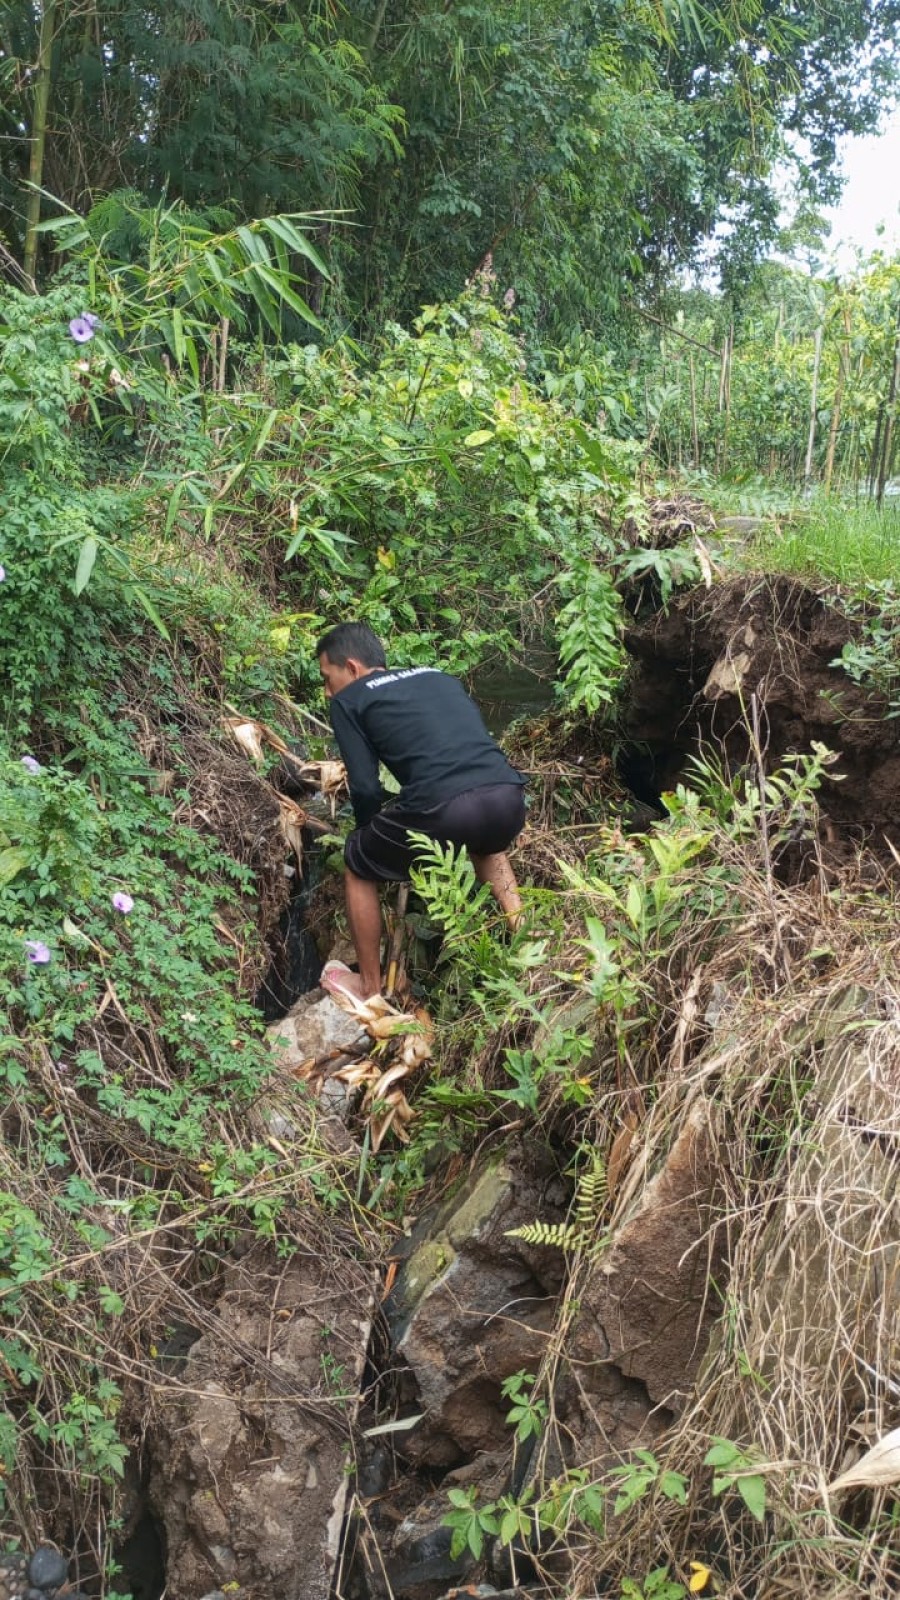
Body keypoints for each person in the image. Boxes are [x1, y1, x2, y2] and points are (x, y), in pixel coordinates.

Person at [316, 621, 526, 1002]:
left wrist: (369, 836)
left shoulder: (349, 700)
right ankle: (526, 938)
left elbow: (364, 786)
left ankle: (368, 986)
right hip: (508, 798)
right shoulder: (439, 677)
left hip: (444, 808)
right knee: (488, 845)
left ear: (351, 667)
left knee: (356, 864)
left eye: (327, 678)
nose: (328, 692)